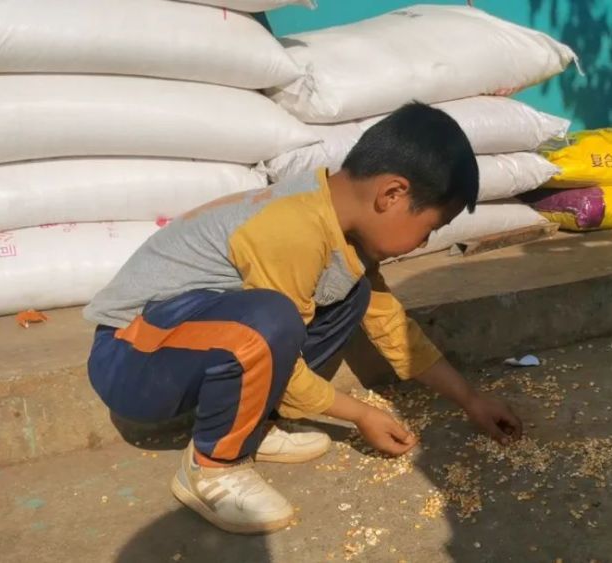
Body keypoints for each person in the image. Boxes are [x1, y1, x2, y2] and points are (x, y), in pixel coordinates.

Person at [83, 103, 523, 534]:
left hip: (182, 343)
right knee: (271, 318)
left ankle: (252, 426)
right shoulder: (292, 228)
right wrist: (359, 414)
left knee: (350, 292)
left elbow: (392, 327)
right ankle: (211, 469)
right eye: (428, 228)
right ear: (392, 195)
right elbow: (267, 338)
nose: (423, 241)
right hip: (132, 360)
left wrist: (470, 399)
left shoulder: (337, 226)